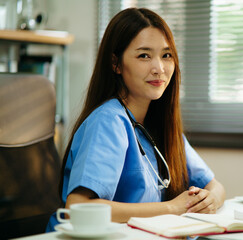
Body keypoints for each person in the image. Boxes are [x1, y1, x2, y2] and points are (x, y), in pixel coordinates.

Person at [46, 7, 225, 232]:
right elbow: (78, 206)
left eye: (166, 55)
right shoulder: (109, 121)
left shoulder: (156, 125)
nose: (159, 68)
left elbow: (214, 185)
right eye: (144, 56)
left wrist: (210, 200)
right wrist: (171, 208)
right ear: (116, 64)